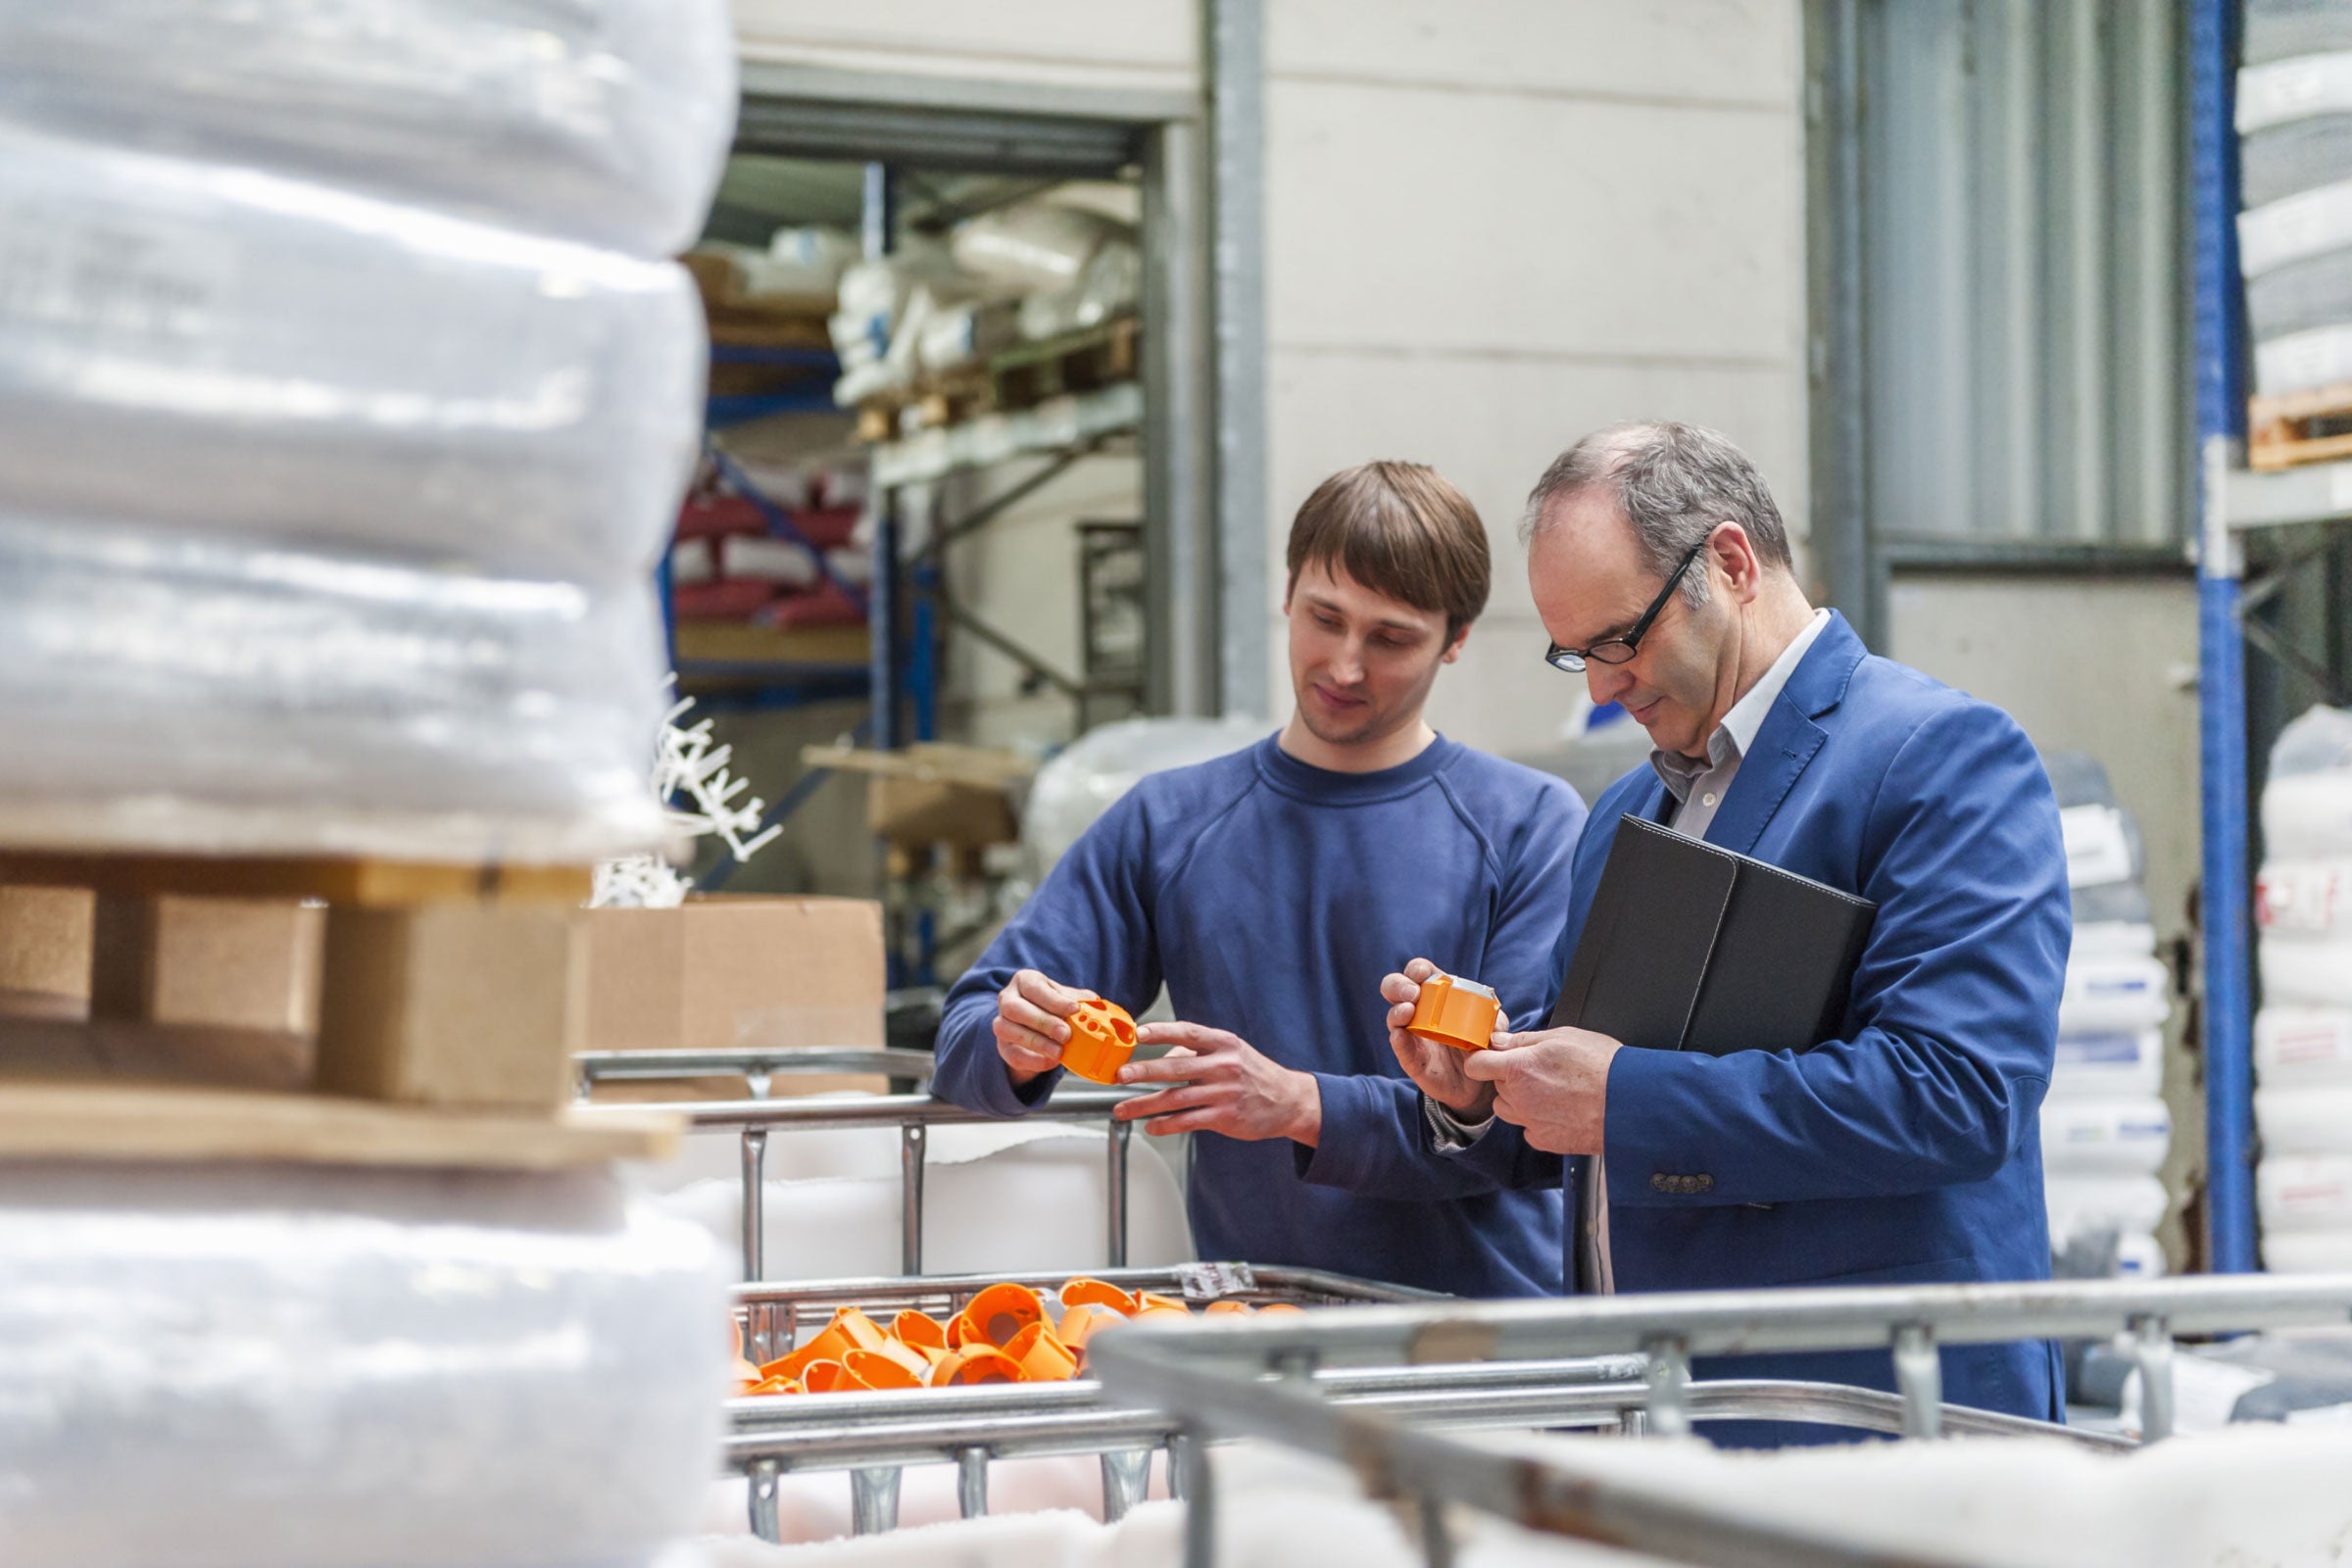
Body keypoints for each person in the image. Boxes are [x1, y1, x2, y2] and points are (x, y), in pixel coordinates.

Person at [1380, 420, 2070, 1437]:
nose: (1606, 687)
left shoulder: (1939, 756)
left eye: (1620, 639)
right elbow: (1604, 1113)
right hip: (1665, 1424)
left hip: (1871, 1426)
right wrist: (1487, 1091)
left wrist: (1623, 1096)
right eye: (1576, 656)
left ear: (1731, 562)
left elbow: (1959, 1093)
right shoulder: (1625, 811)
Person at [931, 462, 1587, 1298]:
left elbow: (1537, 1131)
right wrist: (1016, 1045)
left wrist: (1300, 1103)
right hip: (1257, 1339)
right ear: (1287, 593)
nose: (1345, 666)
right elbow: (963, 1038)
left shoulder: (1529, 825)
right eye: (1325, 618)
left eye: (1391, 638)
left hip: (1481, 1347)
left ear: (1456, 640)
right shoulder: (1168, 823)